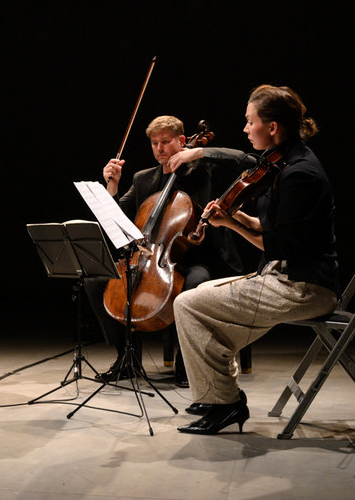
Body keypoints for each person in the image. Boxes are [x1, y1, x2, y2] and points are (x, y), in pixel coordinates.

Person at [174, 85, 339, 435]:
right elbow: (270, 227)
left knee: (188, 304)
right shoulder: (284, 164)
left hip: (303, 287)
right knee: (198, 301)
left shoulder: (300, 175)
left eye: (251, 122)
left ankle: (225, 403)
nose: (246, 129)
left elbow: (279, 246)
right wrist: (232, 218)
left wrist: (231, 224)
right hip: (284, 277)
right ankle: (219, 395)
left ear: (273, 127)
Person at [86, 115, 253, 385]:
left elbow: (247, 160)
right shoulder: (143, 180)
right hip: (155, 259)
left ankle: (186, 362)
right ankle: (126, 359)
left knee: (193, 286)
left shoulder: (204, 172)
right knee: (97, 282)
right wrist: (112, 187)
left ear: (182, 141)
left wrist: (199, 152)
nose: (160, 148)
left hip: (199, 258)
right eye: (155, 143)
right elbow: (117, 221)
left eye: (166, 142)